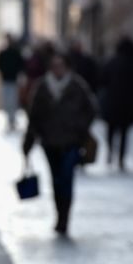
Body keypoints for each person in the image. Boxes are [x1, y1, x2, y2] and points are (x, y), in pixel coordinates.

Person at [22, 51, 97, 236]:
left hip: (71, 141)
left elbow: (91, 109)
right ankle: (59, 214)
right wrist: (28, 141)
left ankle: (65, 217)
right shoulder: (42, 87)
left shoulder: (76, 85)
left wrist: (80, 128)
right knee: (55, 180)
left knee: (67, 178)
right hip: (50, 142)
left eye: (61, 65)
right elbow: (34, 116)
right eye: (54, 66)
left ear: (67, 67)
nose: (57, 69)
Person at [99, 36, 133, 171]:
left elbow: (103, 80)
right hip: (127, 104)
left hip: (112, 102)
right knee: (124, 133)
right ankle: (120, 159)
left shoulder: (112, 62)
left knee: (111, 130)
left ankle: (109, 153)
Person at [0, 33, 25, 131]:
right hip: (5, 80)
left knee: (13, 100)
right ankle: (9, 118)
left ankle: (12, 118)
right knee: (7, 101)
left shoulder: (16, 52)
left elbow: (21, 64)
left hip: (13, 80)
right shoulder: (2, 52)